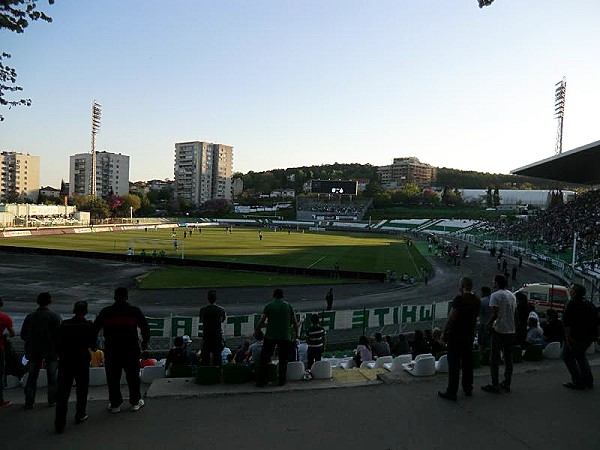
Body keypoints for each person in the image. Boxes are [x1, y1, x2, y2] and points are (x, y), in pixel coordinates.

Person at [94, 287, 149, 413]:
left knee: (113, 378)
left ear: (114, 297)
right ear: (127, 297)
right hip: (131, 349)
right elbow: (145, 327)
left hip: (112, 350)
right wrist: (145, 343)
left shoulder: (106, 312)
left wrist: (93, 344)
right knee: (133, 377)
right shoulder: (134, 311)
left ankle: (115, 404)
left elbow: (95, 328)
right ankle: (135, 402)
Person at [54, 301, 97, 433]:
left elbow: (57, 343)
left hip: (65, 361)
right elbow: (93, 346)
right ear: (85, 311)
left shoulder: (64, 325)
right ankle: (80, 414)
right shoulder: (88, 326)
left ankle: (59, 422)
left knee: (63, 392)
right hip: (81, 360)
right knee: (82, 389)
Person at [438, 277, 480, 401]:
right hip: (469, 335)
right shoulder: (477, 300)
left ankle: (452, 391)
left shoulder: (459, 299)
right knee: (467, 363)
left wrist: (444, 334)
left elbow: (452, 318)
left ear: (462, 286)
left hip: (456, 336)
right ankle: (468, 387)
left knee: (454, 365)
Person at [21, 292, 61, 409]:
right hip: (51, 351)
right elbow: (59, 336)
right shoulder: (55, 316)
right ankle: (52, 400)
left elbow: (23, 334)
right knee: (52, 377)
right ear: (50, 302)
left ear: (37, 302)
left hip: (33, 351)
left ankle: (29, 401)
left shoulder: (30, 317)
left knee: (32, 377)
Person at [255, 288, 298, 387]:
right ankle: (282, 381)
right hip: (284, 336)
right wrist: (296, 334)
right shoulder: (288, 306)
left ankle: (262, 380)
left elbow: (262, 320)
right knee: (283, 359)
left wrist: (257, 330)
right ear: (282, 296)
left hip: (270, 335)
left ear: (273, 295)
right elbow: (294, 322)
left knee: (265, 358)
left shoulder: (269, 306)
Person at [482, 274, 516, 394]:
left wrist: (488, 324)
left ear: (496, 283)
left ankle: (494, 384)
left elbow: (495, 313)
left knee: (494, 358)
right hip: (511, 329)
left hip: (499, 330)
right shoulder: (512, 295)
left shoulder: (495, 295)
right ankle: (507, 383)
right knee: (508, 358)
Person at [562, 284, 598, 390]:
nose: (569, 290)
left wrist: (568, 338)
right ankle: (588, 381)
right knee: (580, 356)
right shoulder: (589, 304)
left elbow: (567, 324)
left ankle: (578, 381)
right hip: (587, 338)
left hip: (575, 337)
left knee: (568, 357)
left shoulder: (571, 304)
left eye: (571, 289)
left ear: (575, 292)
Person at [199, 290, 226, 366]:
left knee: (205, 358)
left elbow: (201, 319)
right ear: (216, 299)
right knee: (217, 357)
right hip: (217, 336)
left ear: (207, 299)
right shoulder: (221, 310)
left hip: (207, 336)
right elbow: (223, 320)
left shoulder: (203, 310)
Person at [0, 297, 16, 408]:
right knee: (0, 374)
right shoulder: (5, 318)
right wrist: (5, 335)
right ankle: (0, 400)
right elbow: (13, 333)